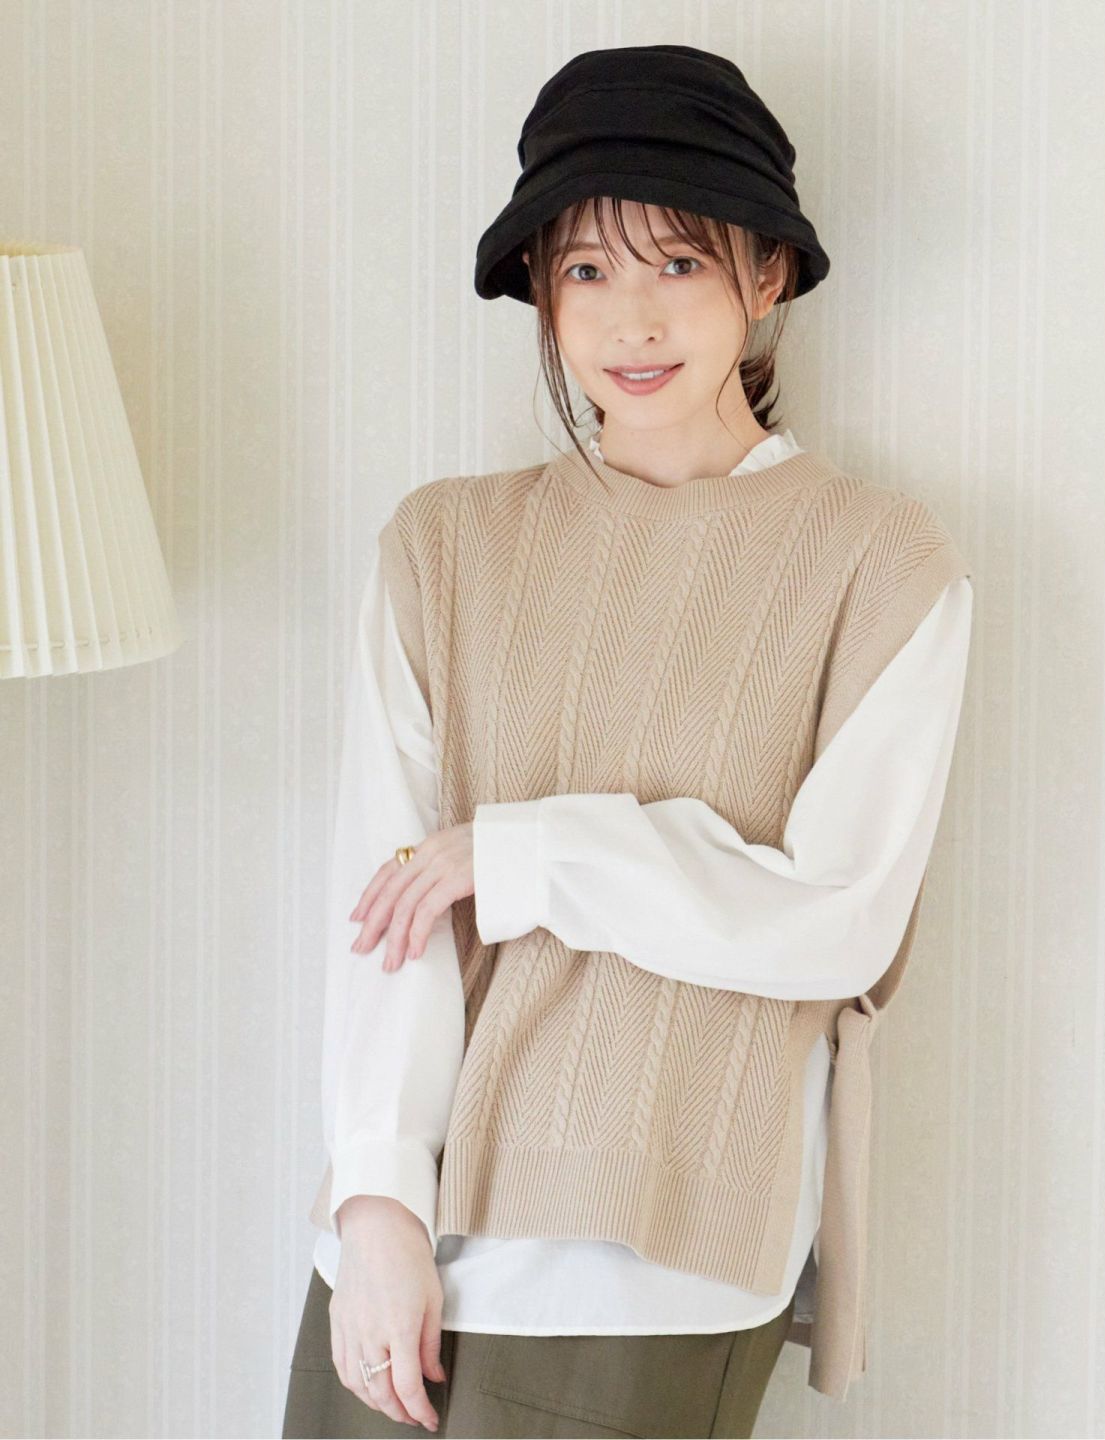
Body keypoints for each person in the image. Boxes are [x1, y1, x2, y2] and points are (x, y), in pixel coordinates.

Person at [283, 42, 973, 1440]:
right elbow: (386, 903)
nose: (630, 317)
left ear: (767, 277)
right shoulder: (443, 546)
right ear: (540, 290)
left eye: (679, 262)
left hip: (656, 1266)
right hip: (406, 1258)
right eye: (586, 269)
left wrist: (524, 857)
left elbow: (834, 924)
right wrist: (374, 1205)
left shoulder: (879, 563)